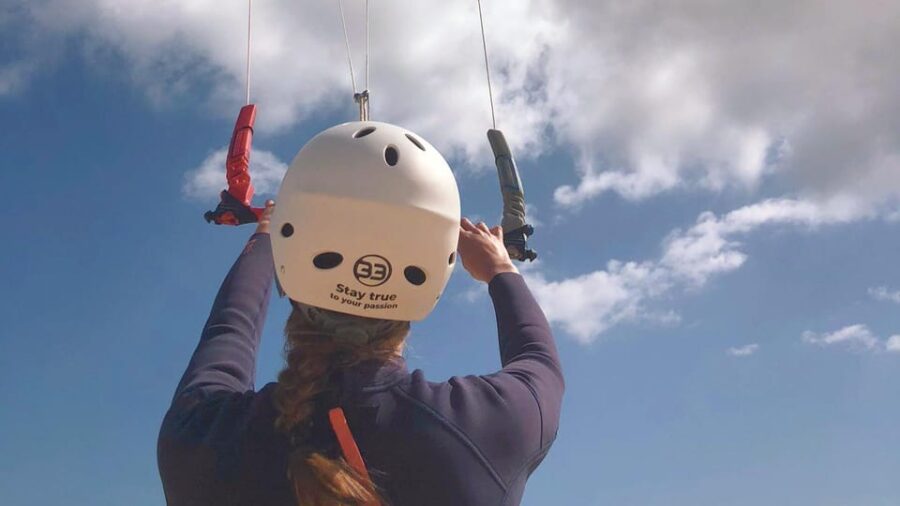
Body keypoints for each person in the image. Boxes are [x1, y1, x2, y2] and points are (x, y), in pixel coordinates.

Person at [158, 122, 564, 506]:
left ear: (288, 260)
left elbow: (230, 328)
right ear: (434, 272)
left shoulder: (198, 439)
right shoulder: (487, 432)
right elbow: (539, 363)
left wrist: (265, 234)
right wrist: (499, 268)